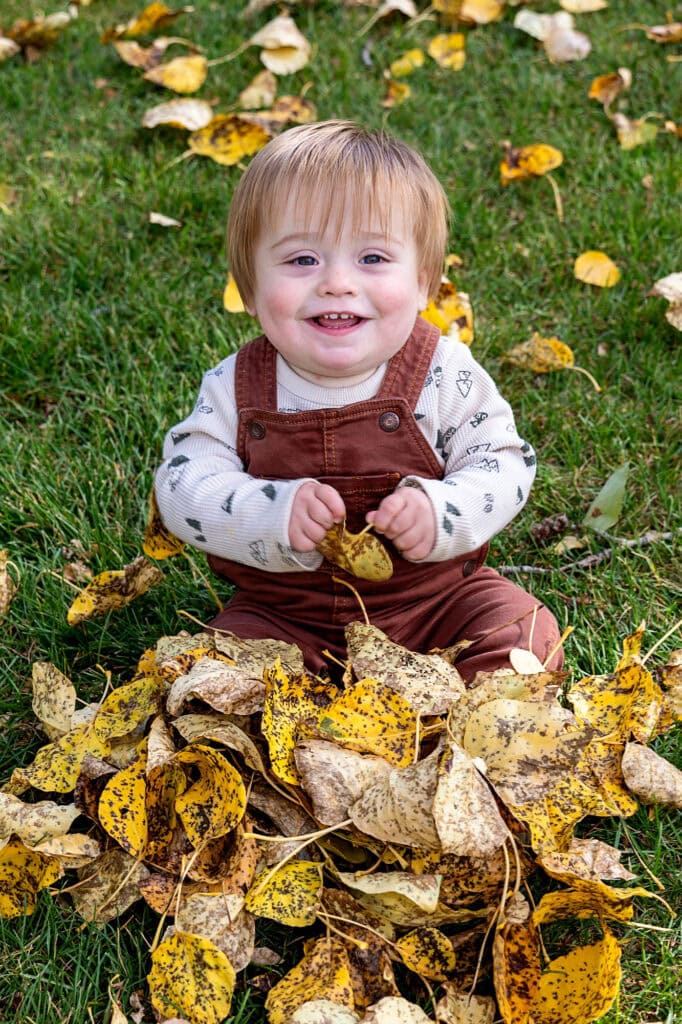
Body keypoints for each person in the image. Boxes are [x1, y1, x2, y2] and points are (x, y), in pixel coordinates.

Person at [155, 120, 563, 682]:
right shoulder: (236, 387)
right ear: (249, 286)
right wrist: (269, 511)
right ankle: (306, 742)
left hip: (436, 606)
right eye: (303, 260)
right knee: (215, 673)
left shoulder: (444, 374)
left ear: (425, 283)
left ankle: (464, 742)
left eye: (372, 258)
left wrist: (442, 512)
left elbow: (505, 465)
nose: (337, 283)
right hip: (286, 619)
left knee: (522, 633)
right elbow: (181, 485)